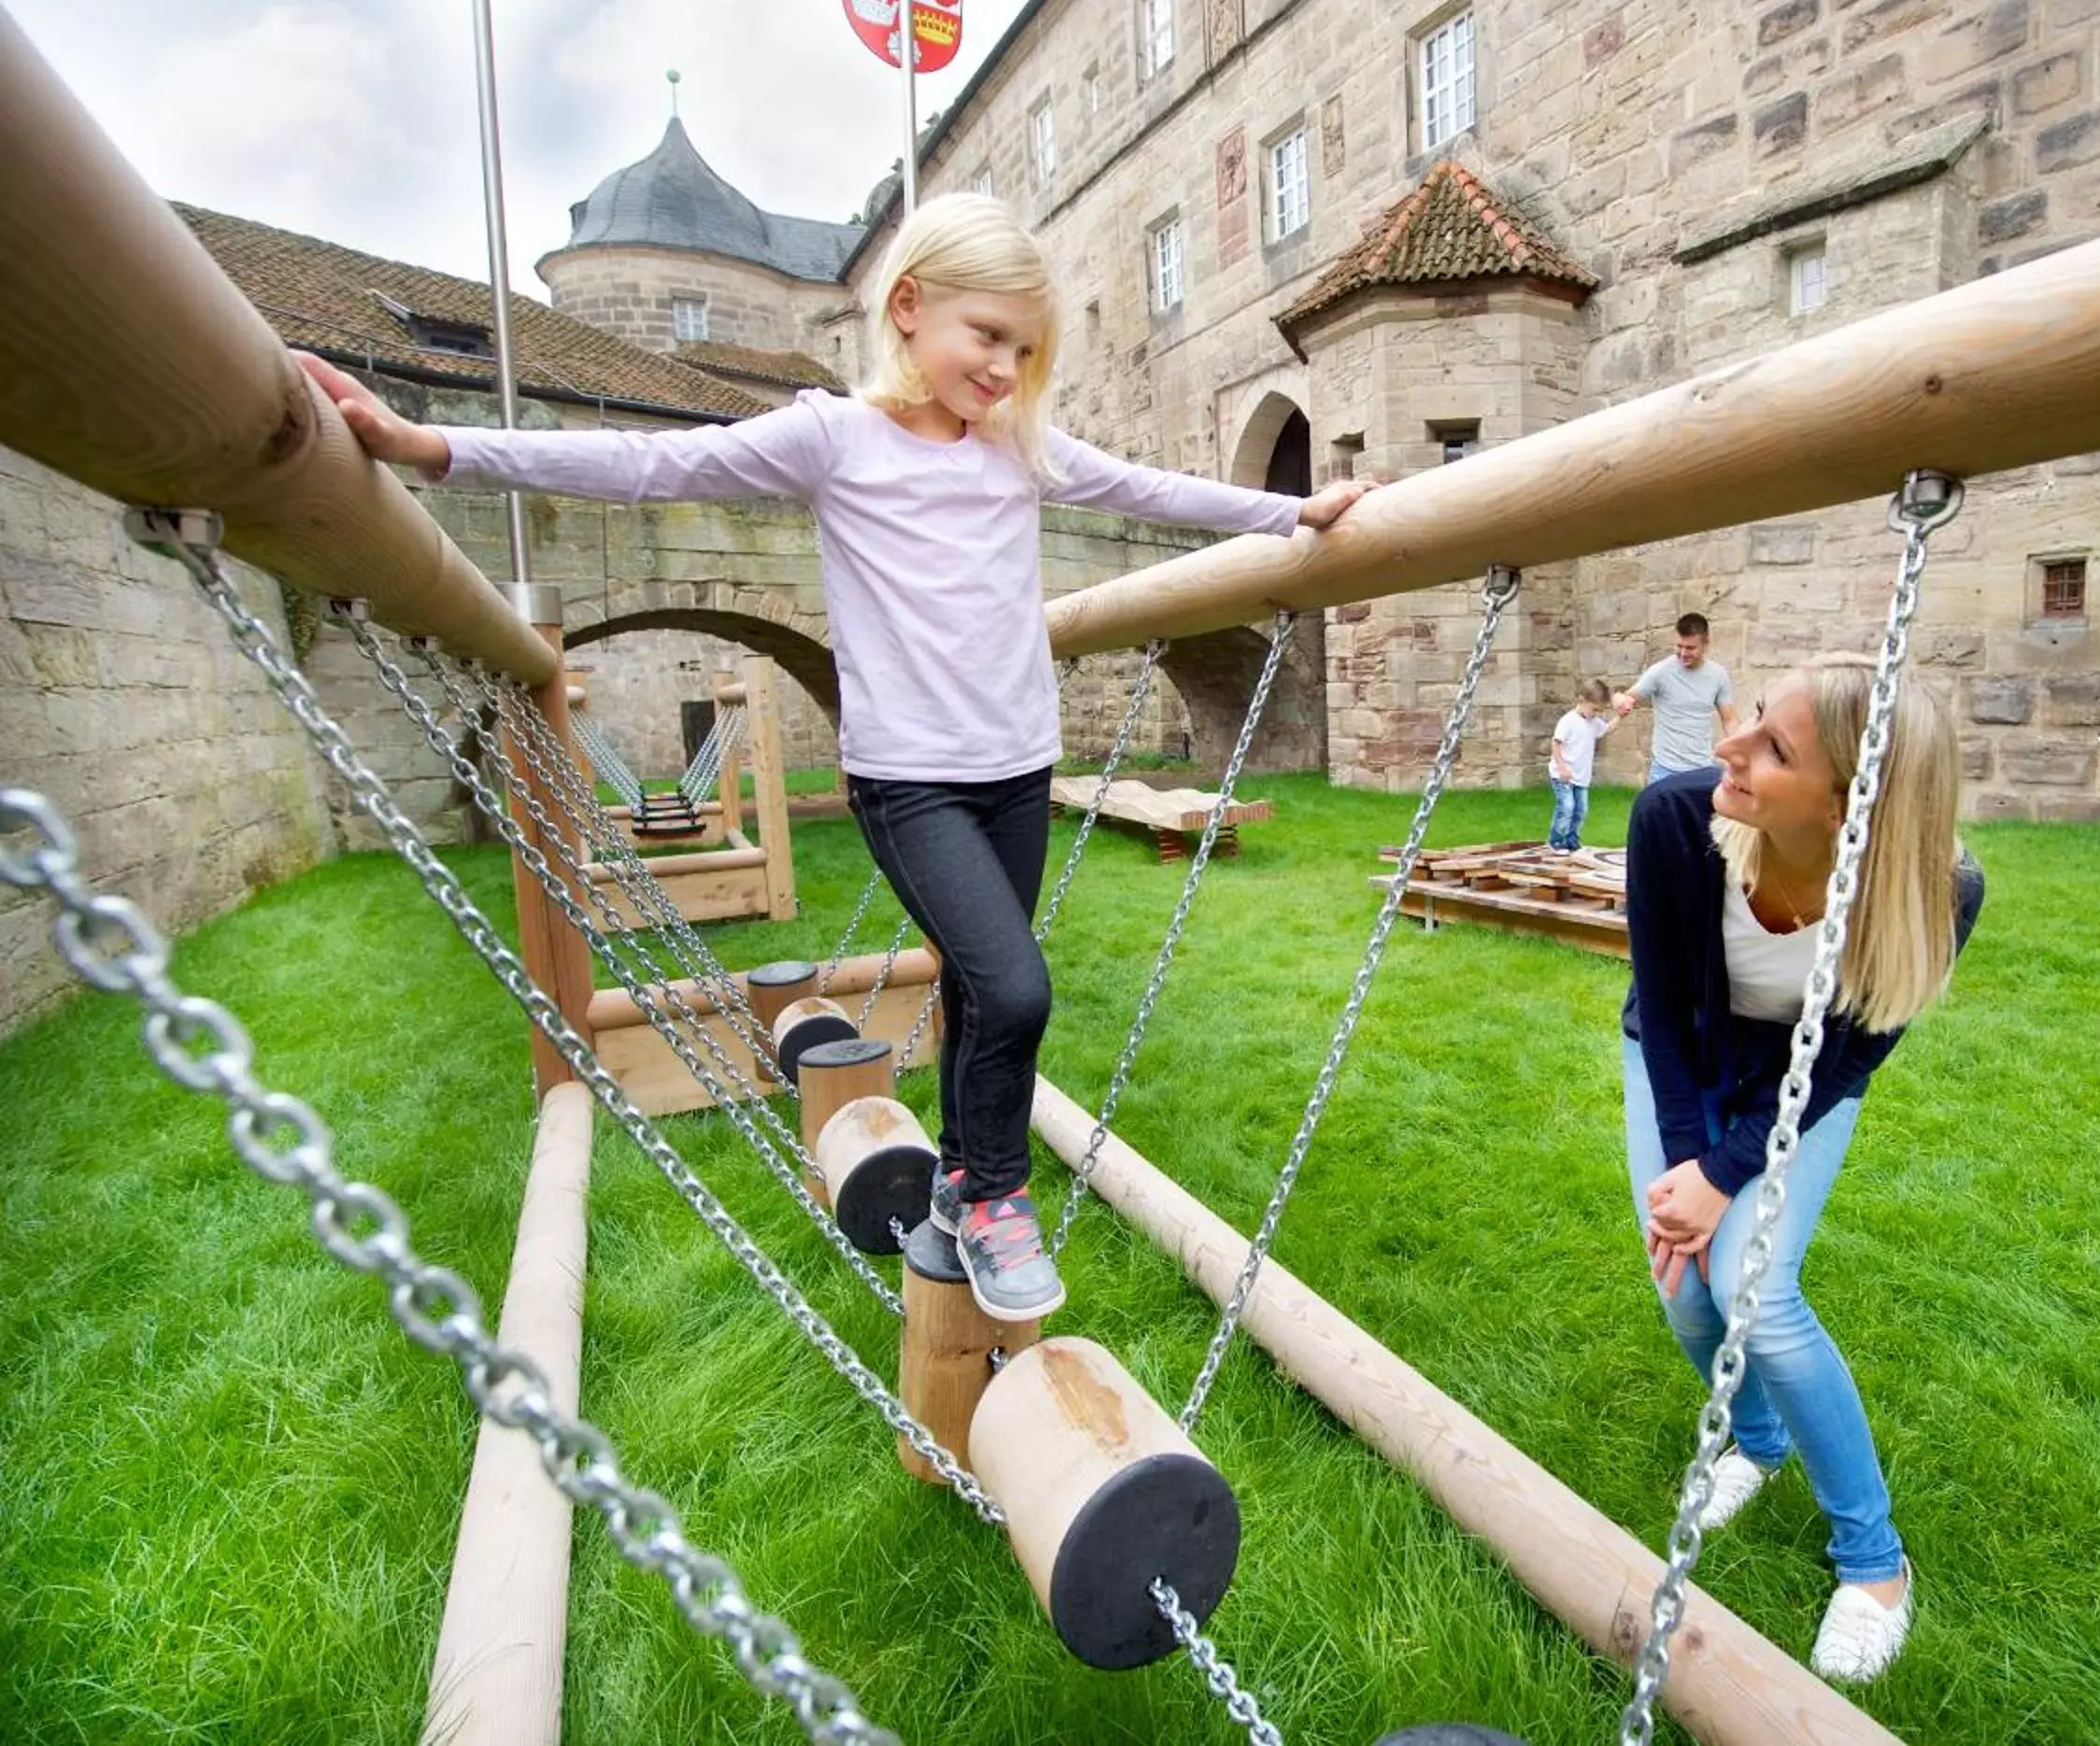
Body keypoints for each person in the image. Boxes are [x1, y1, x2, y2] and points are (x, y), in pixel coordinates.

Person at [299, 192, 1372, 1324]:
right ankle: (1001, 1191)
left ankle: (962, 1183)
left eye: (1023, 347)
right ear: (907, 308)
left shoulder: (1017, 449)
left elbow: (1145, 490)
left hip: (1014, 765)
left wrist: (1290, 514)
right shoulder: (833, 436)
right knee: (1017, 989)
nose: (1006, 367)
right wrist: (436, 447)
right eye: (986, 336)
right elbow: (651, 467)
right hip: (909, 779)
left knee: (974, 986)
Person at [1620, 659, 1982, 1682]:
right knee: (1689, 1288)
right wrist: (1697, 1167)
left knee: (1756, 1292)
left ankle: (1875, 1564)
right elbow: (1661, 1016)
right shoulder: (1674, 820)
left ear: (1850, 804)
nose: (1728, 746)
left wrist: (1731, 1176)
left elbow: (1846, 1056)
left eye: (1774, 748)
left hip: (1808, 1076)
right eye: (1751, 723)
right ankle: (1760, 1440)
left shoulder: (1938, 890)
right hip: (1683, 1057)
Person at [1613, 611, 1736, 783]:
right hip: (1664, 770)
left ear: (1705, 645)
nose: (1683, 653)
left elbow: (1729, 719)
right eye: (1679, 646)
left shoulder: (1718, 675)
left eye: (1690, 648)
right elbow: (1627, 696)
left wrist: (1739, 752)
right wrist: (1619, 699)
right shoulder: (1660, 672)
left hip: (1701, 769)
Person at [1544, 678, 1614, 853]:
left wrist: (1621, 715)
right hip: (1563, 775)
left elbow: (1606, 729)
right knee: (1566, 807)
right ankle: (1556, 841)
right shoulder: (1568, 721)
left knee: (1580, 810)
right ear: (1581, 700)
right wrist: (1561, 767)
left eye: (1599, 710)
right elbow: (1556, 743)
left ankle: (1572, 840)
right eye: (1594, 709)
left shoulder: (1593, 722)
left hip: (1582, 776)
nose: (1596, 714)